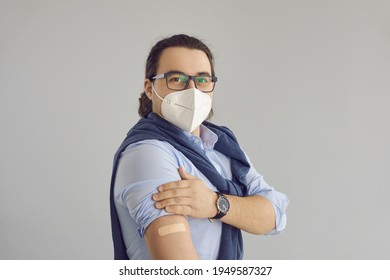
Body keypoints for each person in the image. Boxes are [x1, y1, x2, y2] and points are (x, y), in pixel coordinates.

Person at [110, 34, 289, 260]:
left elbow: (275, 216)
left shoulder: (222, 146)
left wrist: (216, 204)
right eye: (177, 79)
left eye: (202, 80)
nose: (192, 90)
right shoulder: (148, 155)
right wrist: (240, 208)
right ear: (149, 87)